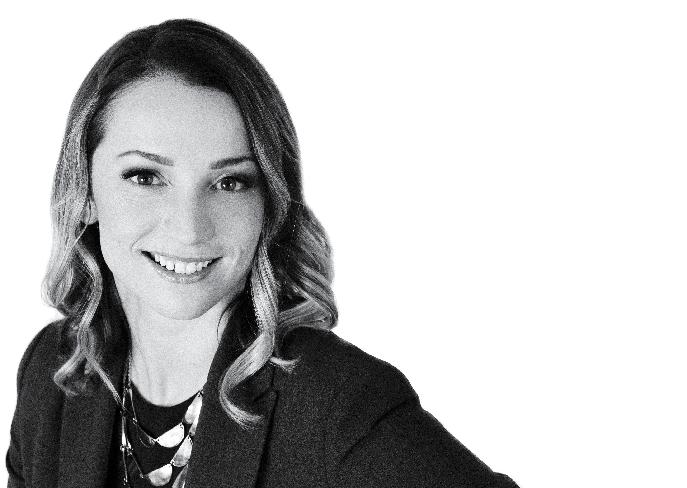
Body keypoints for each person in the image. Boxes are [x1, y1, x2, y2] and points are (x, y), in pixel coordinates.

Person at [5, 19, 519, 488]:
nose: (189, 228)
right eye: (145, 176)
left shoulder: (337, 403)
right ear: (84, 191)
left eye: (230, 182)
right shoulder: (53, 372)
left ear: (269, 203)